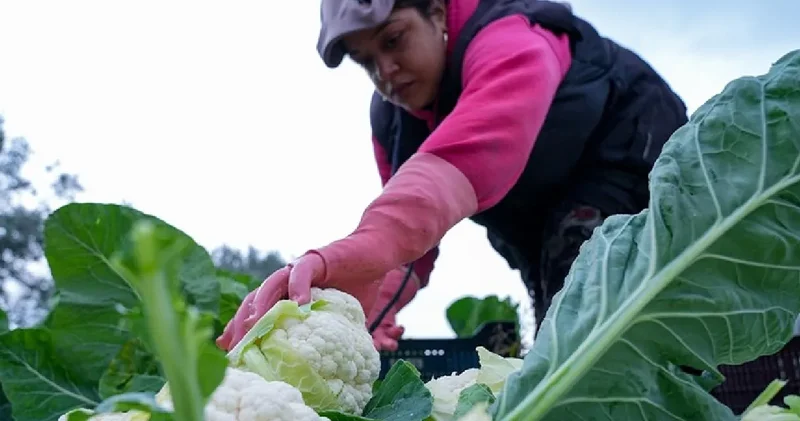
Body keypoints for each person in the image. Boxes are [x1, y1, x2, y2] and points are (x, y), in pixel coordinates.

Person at [216, 0, 688, 353]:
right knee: (559, 320)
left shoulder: (512, 41)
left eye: (393, 40)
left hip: (635, 164)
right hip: (538, 224)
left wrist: (362, 245)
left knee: (608, 323)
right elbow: (408, 246)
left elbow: (465, 158)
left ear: (438, 12)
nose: (385, 71)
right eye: (366, 61)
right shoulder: (393, 120)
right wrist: (360, 312)